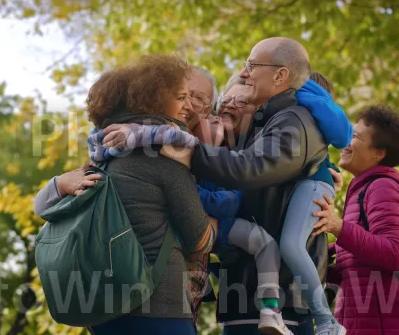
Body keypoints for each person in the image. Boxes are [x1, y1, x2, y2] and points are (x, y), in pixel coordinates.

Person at [100, 37, 337, 335]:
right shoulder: (198, 152)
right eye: (223, 101)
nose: (229, 106)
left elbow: (249, 178)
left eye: (243, 100)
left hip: (281, 302)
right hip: (208, 299)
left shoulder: (266, 144)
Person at [35, 55, 218, 335]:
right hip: (159, 309)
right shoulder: (166, 158)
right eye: (180, 97)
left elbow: (44, 207)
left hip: (103, 312)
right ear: (153, 100)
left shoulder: (99, 160)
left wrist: (57, 183)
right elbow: (199, 239)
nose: (186, 105)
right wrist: (224, 225)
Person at [311, 104, 399, 335]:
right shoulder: (363, 190)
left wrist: (338, 226)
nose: (345, 141)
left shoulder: (382, 187)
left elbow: (395, 254)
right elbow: (360, 269)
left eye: (353, 136)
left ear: (379, 152)